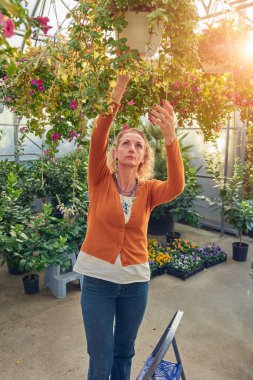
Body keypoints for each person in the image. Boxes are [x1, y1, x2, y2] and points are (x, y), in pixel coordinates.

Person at [73, 73, 185, 380]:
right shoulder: (99, 180)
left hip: (136, 284)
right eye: (126, 143)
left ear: (143, 158)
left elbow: (176, 186)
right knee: (100, 356)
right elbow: (98, 135)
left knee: (124, 353)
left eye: (138, 145)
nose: (132, 148)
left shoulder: (149, 190)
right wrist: (118, 91)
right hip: (97, 282)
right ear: (116, 152)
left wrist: (170, 136)